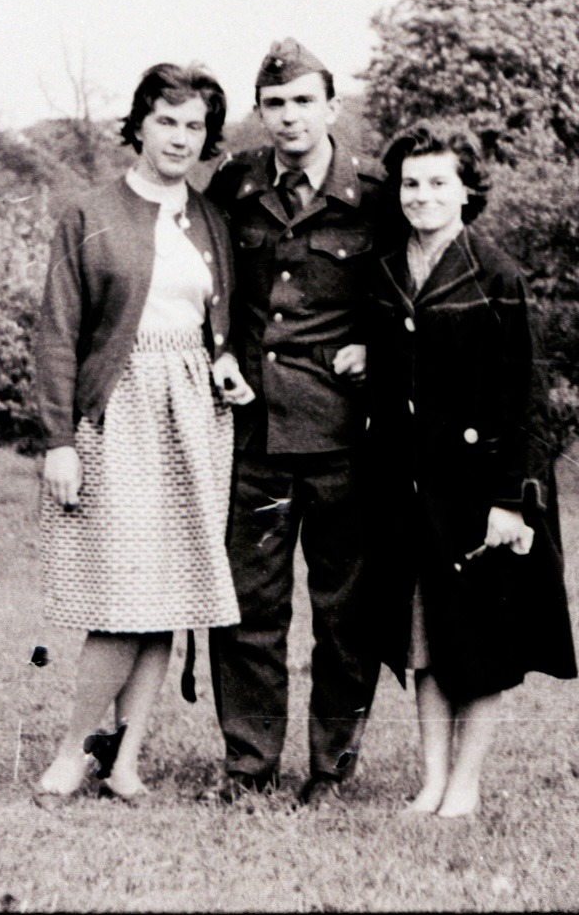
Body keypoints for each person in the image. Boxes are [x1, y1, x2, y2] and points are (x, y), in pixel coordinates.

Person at [32, 63, 247, 803]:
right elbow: (58, 333)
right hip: (116, 414)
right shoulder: (88, 214)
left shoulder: (213, 219)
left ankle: (125, 759)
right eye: (167, 121)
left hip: (195, 415)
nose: (180, 138)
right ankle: (72, 751)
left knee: (171, 591)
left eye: (194, 126)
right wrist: (59, 438)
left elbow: (218, 321)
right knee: (123, 590)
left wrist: (224, 362)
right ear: (140, 125)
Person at [362, 119, 577, 819]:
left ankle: (467, 784)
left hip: (480, 492)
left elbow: (527, 397)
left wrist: (510, 501)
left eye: (437, 182)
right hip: (409, 492)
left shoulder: (497, 273)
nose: (421, 195)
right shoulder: (389, 269)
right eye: (411, 183)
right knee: (424, 640)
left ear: (466, 191)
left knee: (482, 641)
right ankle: (431, 779)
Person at [201, 39, 391, 807]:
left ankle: (332, 770)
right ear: (259, 112)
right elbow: (206, 276)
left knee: (345, 617)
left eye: (303, 101)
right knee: (249, 610)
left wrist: (376, 346)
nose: (288, 117)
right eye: (274, 104)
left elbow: (408, 291)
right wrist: (217, 347)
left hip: (345, 437)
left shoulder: (376, 193)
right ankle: (249, 767)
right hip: (256, 434)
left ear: (331, 108)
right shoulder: (236, 185)